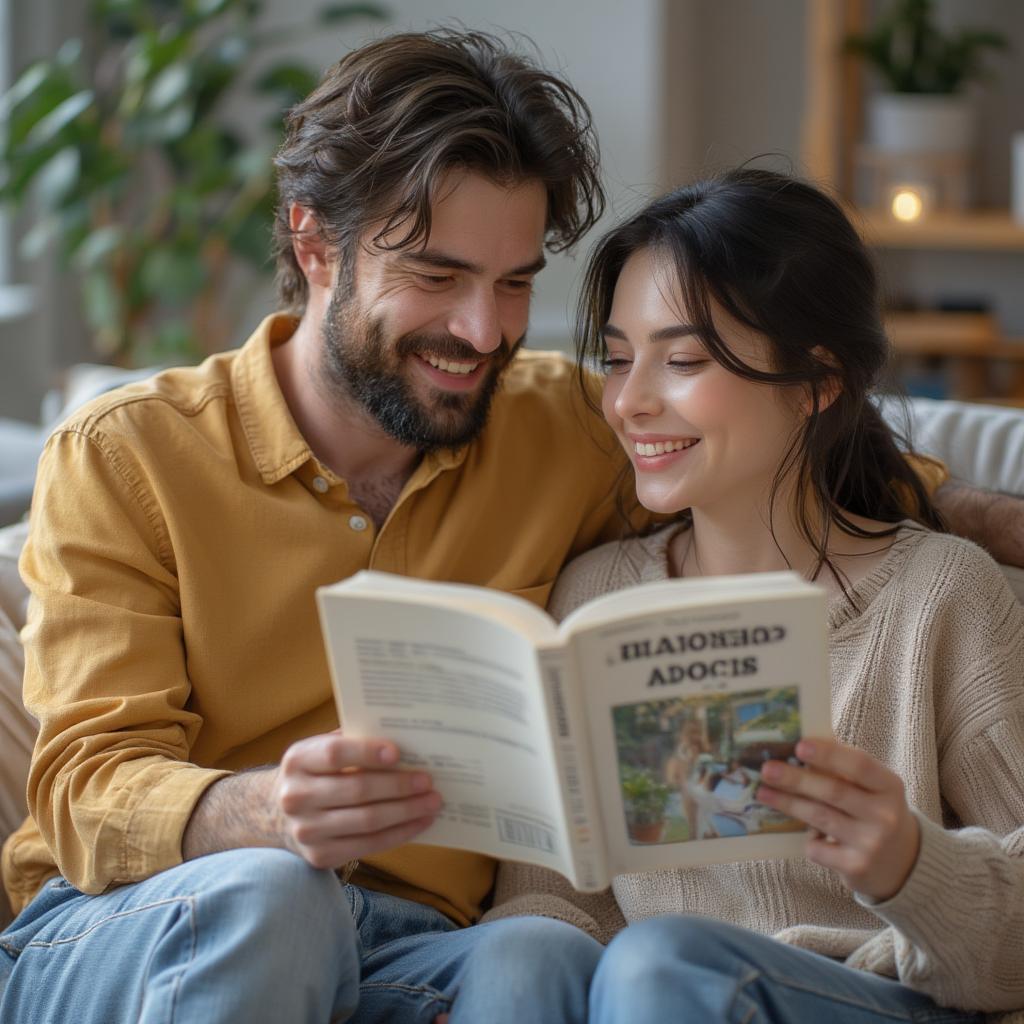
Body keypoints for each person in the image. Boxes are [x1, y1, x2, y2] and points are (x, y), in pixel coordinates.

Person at [0, 29, 1018, 1022]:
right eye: (438, 277)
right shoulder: (125, 454)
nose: (482, 331)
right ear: (315, 244)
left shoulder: (563, 425)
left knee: (540, 948)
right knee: (276, 893)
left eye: (516, 282)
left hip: (418, 945)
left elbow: (790, 454)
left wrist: (986, 522)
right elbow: (85, 785)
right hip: (141, 923)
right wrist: (263, 812)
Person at [483, 168, 1024, 1023]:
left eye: (685, 359)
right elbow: (553, 902)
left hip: (887, 999)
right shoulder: (594, 598)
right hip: (645, 996)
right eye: (619, 360)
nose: (631, 402)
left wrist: (910, 866)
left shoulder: (939, 596)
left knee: (665, 965)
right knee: (543, 956)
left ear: (816, 381)